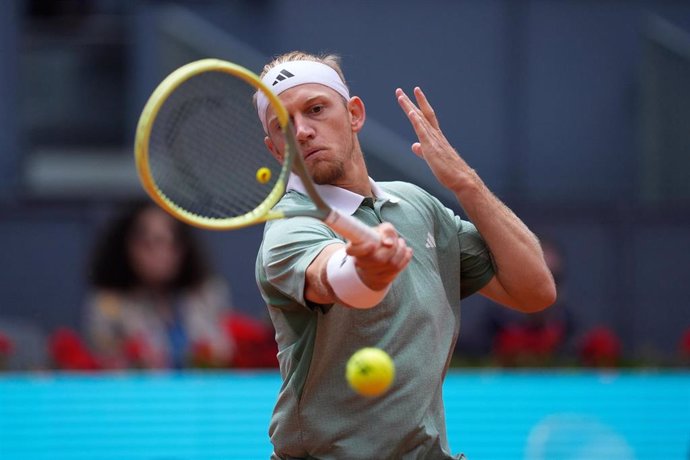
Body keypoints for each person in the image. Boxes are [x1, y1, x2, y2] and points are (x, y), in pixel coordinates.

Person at [254, 51, 556, 459]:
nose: (303, 131)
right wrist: (368, 269)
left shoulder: (417, 205)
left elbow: (534, 291)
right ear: (276, 149)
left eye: (316, 109)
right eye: (283, 125)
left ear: (354, 114)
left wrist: (464, 182)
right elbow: (336, 279)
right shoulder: (289, 228)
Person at [84, 201, 235, 369]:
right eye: (150, 243)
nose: (162, 253)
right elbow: (108, 366)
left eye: (172, 242)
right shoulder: (109, 306)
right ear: (127, 248)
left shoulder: (207, 295)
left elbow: (225, 355)